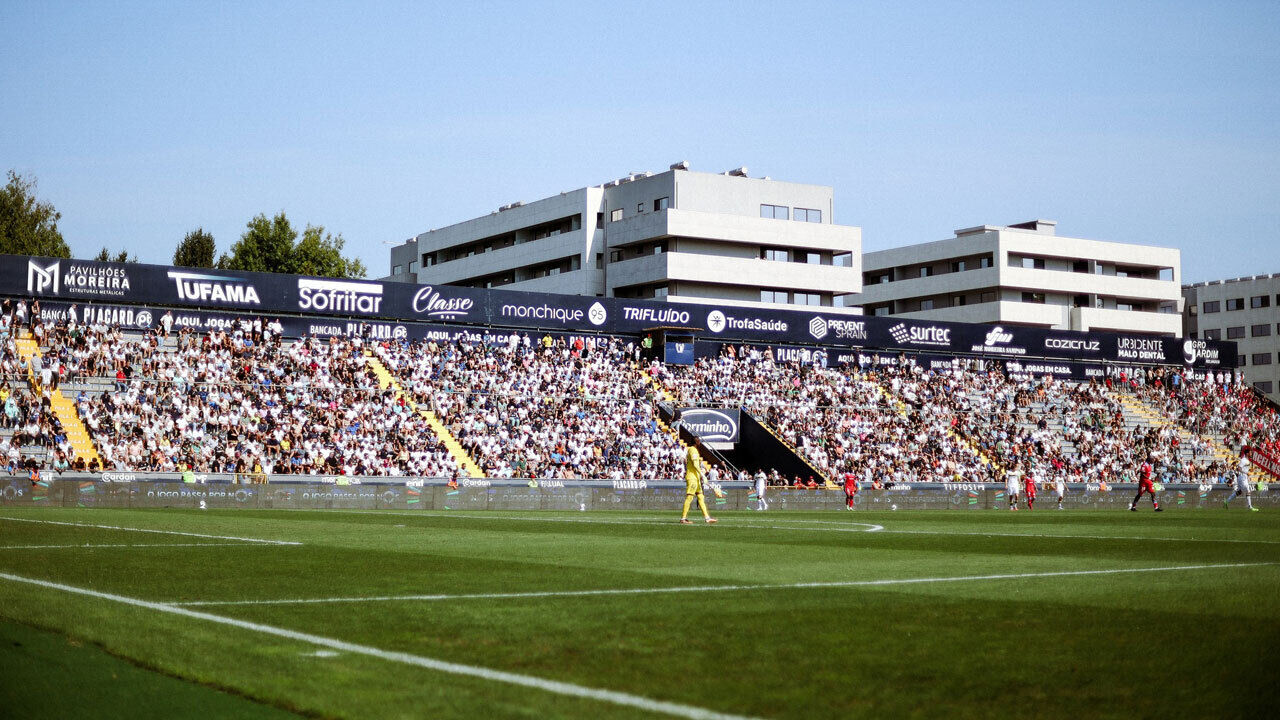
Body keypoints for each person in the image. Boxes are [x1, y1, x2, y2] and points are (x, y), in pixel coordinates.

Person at [680, 443, 716, 525]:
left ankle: (707, 518)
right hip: (692, 477)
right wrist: (703, 476)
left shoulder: (695, 451)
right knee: (689, 497)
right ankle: (683, 518)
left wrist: (700, 476)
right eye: (699, 441)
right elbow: (695, 465)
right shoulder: (693, 450)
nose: (700, 443)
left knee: (701, 497)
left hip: (696, 478)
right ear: (696, 442)